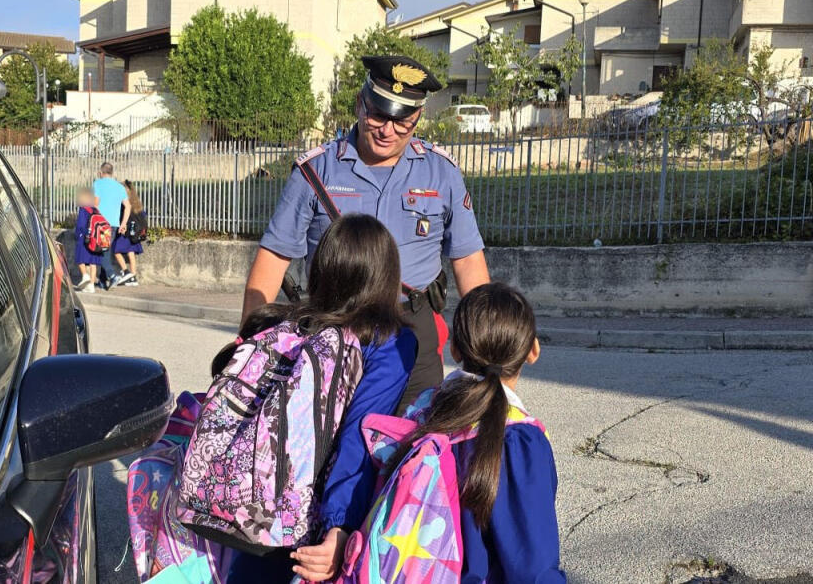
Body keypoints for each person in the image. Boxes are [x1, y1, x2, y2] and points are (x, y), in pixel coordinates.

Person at [243, 55, 490, 413]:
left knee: (412, 443)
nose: (387, 130)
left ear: (418, 117)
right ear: (360, 103)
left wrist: (483, 351)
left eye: (402, 120)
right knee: (328, 444)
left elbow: (467, 260)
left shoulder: (442, 174)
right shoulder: (316, 171)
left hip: (414, 330)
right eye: (378, 114)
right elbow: (273, 258)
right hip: (333, 327)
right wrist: (249, 345)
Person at [223, 214, 418, 583]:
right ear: (387, 276)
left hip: (253, 506)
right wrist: (340, 526)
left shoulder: (284, 324)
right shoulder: (388, 342)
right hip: (312, 517)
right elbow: (360, 434)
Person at [390, 283, 566, 583]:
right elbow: (533, 570)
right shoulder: (518, 442)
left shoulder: (422, 413)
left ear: (454, 348)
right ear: (532, 350)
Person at [92, 161, 130, 288]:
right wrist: (123, 223)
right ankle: (103, 282)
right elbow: (128, 206)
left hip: (101, 223)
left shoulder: (97, 184)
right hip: (114, 224)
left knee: (101, 252)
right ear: (112, 173)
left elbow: (95, 203)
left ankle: (112, 276)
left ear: (101, 172)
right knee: (106, 250)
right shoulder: (120, 187)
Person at [112, 179, 144, 287]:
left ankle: (126, 272)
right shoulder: (136, 201)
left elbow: (123, 215)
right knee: (131, 252)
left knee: (116, 251)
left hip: (125, 231)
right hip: (134, 232)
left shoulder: (124, 202)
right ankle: (133, 276)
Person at [72, 189, 103, 293]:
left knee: (80, 260)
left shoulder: (83, 209)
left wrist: (77, 235)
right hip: (95, 239)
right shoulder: (96, 209)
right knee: (92, 263)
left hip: (84, 239)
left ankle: (85, 275)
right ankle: (92, 285)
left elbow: (80, 225)